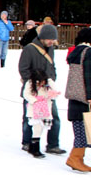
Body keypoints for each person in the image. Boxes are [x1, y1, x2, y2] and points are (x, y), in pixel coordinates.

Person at [18, 24, 66, 154]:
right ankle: (27, 142)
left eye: (53, 39)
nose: (52, 42)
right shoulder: (29, 49)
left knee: (53, 116)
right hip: (33, 89)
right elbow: (23, 68)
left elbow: (52, 66)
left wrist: (52, 79)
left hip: (48, 90)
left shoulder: (51, 49)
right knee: (30, 117)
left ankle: (53, 144)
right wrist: (35, 83)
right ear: (43, 37)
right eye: (50, 39)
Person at [64, 28, 91, 171]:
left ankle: (77, 158)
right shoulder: (88, 52)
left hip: (74, 95)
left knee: (80, 128)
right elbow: (88, 75)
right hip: (84, 96)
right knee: (85, 129)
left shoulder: (75, 52)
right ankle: (75, 158)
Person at [22, 69, 59, 158]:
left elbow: (55, 92)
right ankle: (35, 148)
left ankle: (32, 146)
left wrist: (49, 83)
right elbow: (26, 94)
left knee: (42, 127)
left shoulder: (48, 84)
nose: (41, 83)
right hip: (34, 109)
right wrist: (35, 101)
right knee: (37, 128)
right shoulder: (30, 83)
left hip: (45, 109)